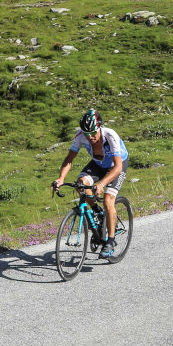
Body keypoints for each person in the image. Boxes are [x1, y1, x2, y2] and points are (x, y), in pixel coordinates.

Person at [51, 109, 128, 258]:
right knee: (81, 185)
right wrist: (61, 178)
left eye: (93, 132)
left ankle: (110, 242)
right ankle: (98, 212)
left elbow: (118, 166)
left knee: (108, 199)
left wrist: (102, 184)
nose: (90, 137)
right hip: (98, 164)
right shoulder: (81, 136)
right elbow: (69, 159)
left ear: (99, 128)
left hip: (116, 165)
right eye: (87, 134)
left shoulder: (110, 135)